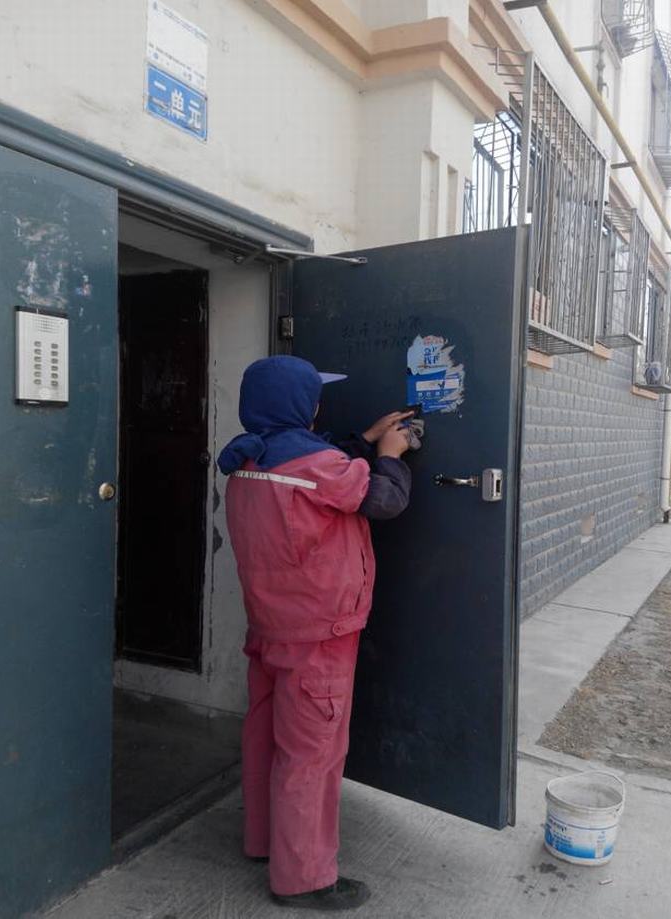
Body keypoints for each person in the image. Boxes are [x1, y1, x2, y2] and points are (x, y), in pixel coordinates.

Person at [217, 355, 415, 911]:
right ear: (304, 406)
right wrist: (390, 455)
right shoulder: (322, 467)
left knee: (264, 739)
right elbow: (385, 499)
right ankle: (303, 878)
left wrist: (363, 441)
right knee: (311, 754)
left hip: (270, 627)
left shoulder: (248, 458)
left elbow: (311, 470)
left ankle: (264, 842)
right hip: (320, 636)